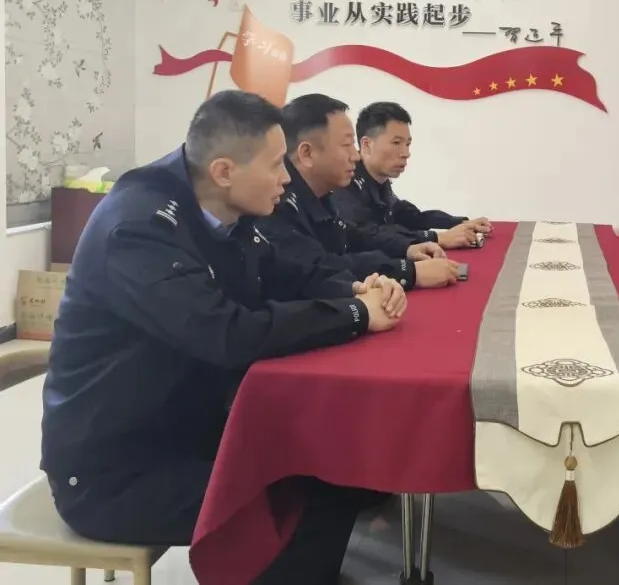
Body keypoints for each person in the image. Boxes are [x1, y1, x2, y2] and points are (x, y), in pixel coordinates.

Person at [41, 90, 404, 585]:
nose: (285, 178)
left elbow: (286, 270)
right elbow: (227, 334)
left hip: (184, 427)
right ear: (224, 171)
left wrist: (355, 289)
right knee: (310, 487)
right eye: (275, 165)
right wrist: (355, 315)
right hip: (115, 472)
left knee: (335, 459)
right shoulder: (139, 228)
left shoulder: (220, 207)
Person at [259, 94, 460, 290]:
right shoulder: (275, 203)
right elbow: (318, 267)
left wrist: (406, 248)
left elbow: (352, 236)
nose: (356, 156)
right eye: (347, 145)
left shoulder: (321, 194)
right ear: (307, 153)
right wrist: (408, 271)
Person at [335, 101, 492, 249]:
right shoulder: (344, 181)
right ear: (367, 145)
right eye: (396, 143)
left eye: (408, 144)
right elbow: (366, 235)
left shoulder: (379, 180)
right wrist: (436, 238)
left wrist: (459, 223)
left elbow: (409, 217)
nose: (406, 153)